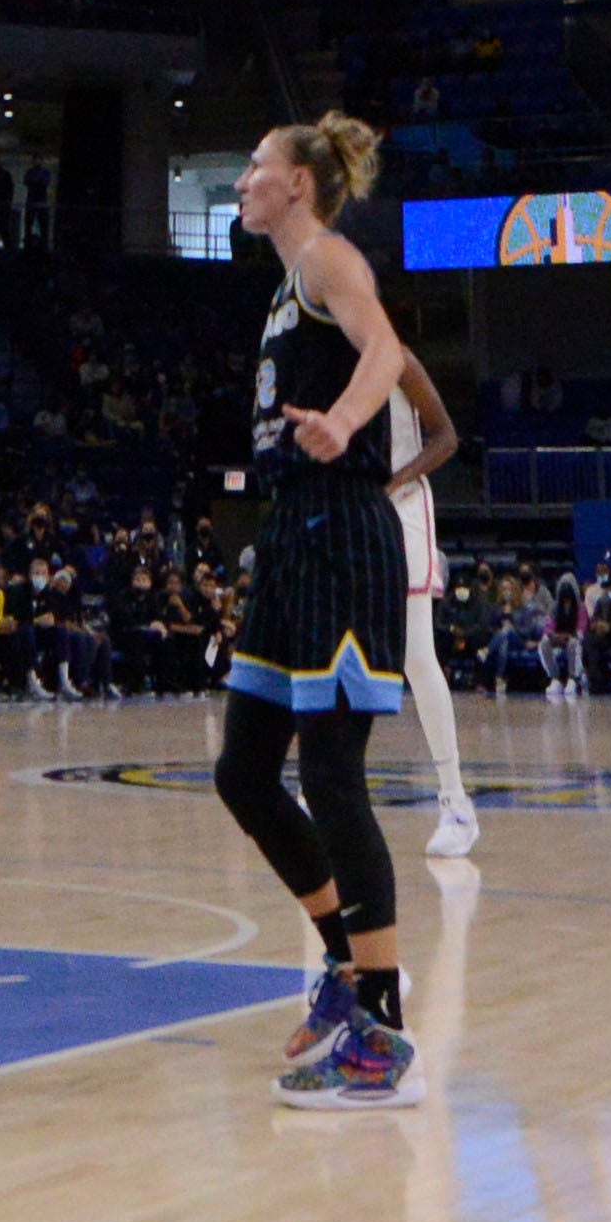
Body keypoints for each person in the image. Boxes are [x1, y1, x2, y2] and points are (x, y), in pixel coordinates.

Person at [205, 114, 437, 1108]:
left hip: (340, 532)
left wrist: (345, 421)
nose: (245, 179)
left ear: (298, 182)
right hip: (292, 535)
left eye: (256, 165)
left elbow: (386, 349)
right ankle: (348, 968)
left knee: (333, 778)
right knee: (245, 771)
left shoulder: (328, 259)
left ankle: (381, 1025)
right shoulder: (283, 281)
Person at [384, 364, 480, 859]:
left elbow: (446, 438)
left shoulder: (394, 357)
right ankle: (321, 787)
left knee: (416, 657)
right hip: (352, 507)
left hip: (400, 505)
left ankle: (456, 802)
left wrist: (397, 481)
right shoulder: (322, 358)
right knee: (336, 645)